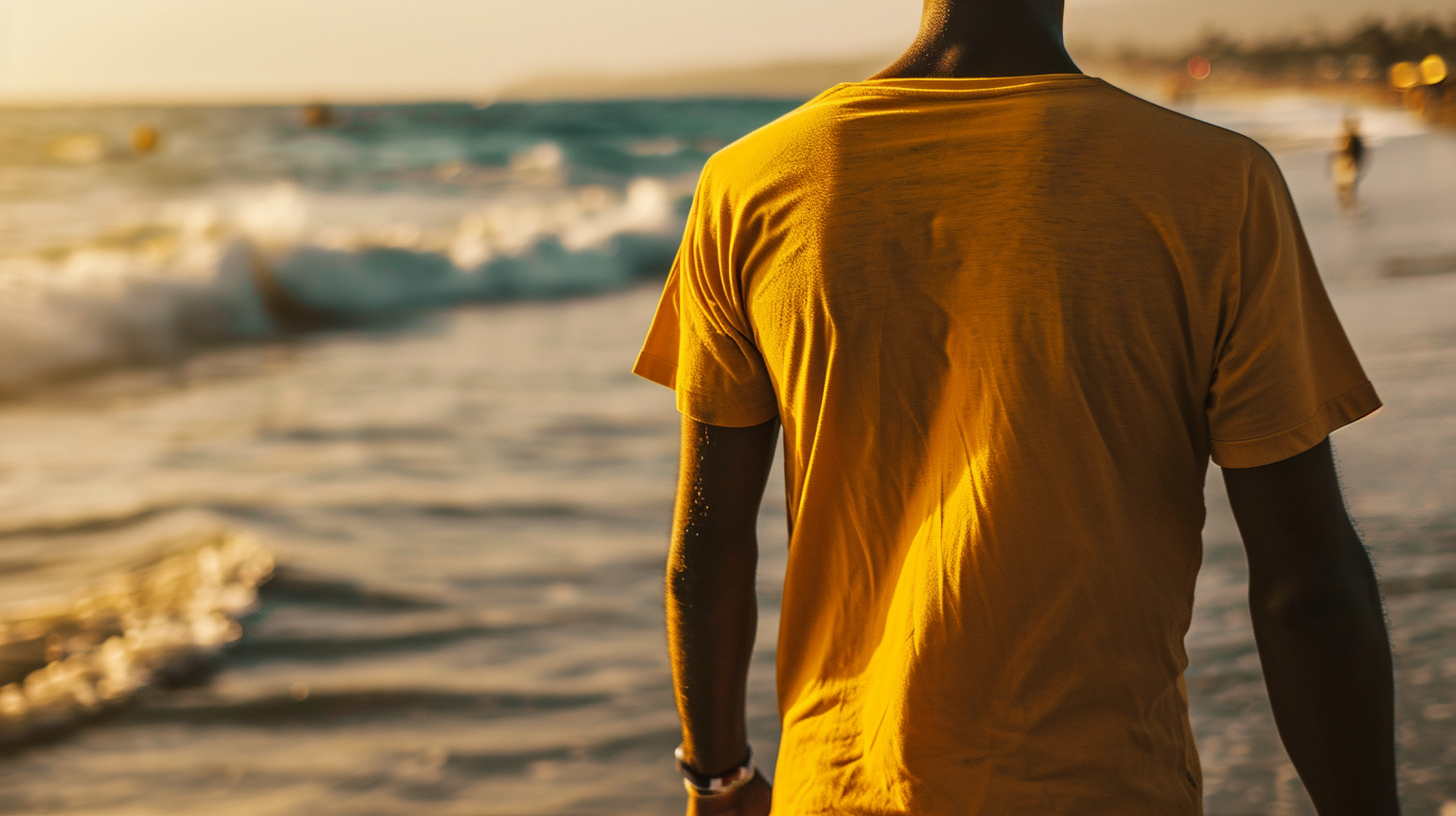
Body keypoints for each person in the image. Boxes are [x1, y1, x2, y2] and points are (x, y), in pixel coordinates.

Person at [633, 1, 1399, 813]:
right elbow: (1307, 588)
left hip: (843, 788)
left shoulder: (750, 185)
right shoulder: (1216, 185)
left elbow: (705, 556)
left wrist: (717, 776)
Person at [1333, 114, 1367, 211]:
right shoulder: (1354, 138)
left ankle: (1347, 202)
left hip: (1346, 162)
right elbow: (1360, 153)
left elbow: (1339, 152)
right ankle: (1348, 202)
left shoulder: (1350, 139)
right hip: (1347, 162)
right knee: (1348, 183)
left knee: (1346, 183)